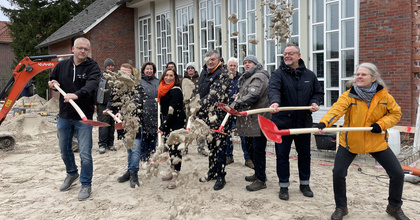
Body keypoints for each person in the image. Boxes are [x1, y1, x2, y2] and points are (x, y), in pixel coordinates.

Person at [316, 63, 409, 220]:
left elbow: (395, 114)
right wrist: (324, 123)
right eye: (357, 74)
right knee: (338, 172)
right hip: (351, 141)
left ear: (373, 78)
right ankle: (341, 207)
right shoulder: (349, 95)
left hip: (376, 142)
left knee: (398, 174)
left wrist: (380, 125)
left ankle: (394, 207)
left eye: (363, 74)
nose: (358, 76)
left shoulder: (384, 96)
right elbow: (336, 110)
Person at [267, 44, 323, 200]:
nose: (287, 56)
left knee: (304, 155)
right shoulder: (278, 74)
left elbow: (318, 92)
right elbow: (273, 89)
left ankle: (304, 184)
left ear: (299, 55)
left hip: (303, 122)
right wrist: (275, 102)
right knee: (282, 155)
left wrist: (314, 102)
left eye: (290, 53)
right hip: (283, 123)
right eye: (285, 54)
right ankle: (283, 186)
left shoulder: (309, 75)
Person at [48, 37, 101, 201]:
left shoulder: (93, 67)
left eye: (86, 49)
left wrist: (76, 95)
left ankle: (86, 184)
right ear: (73, 49)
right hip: (64, 116)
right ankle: (72, 173)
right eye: (80, 48)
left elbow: (91, 85)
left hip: (83, 117)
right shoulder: (62, 65)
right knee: (64, 149)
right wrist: (51, 83)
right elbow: (51, 80)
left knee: (85, 153)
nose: (83, 51)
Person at [232, 55, 270, 191]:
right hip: (250, 120)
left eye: (250, 62)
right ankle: (258, 173)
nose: (247, 65)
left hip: (258, 120)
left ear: (256, 64)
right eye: (245, 63)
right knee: (251, 148)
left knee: (258, 150)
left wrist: (236, 104)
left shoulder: (258, 77)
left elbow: (253, 96)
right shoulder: (248, 77)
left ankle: (261, 179)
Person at [196, 50, 230, 190]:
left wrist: (196, 105)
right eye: (208, 59)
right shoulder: (204, 72)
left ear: (219, 60)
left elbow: (214, 96)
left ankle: (221, 176)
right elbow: (199, 91)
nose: (210, 62)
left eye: (213, 59)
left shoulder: (223, 74)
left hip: (219, 116)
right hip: (205, 115)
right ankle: (212, 171)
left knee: (220, 146)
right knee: (211, 145)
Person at [110, 63, 144, 188]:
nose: (124, 75)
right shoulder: (116, 86)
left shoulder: (137, 87)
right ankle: (129, 171)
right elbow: (112, 101)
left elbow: (136, 102)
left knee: (135, 149)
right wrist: (108, 109)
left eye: (127, 73)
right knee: (129, 149)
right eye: (122, 73)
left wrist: (122, 112)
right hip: (121, 124)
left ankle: (134, 174)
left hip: (134, 123)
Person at [157, 68, 186, 189]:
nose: (168, 77)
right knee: (169, 148)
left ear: (175, 78)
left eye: (171, 76)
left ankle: (176, 175)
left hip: (176, 123)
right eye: (166, 75)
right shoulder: (163, 89)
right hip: (167, 122)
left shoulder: (176, 91)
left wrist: (163, 126)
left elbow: (171, 110)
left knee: (176, 149)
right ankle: (171, 170)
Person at [182, 62, 208, 156]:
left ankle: (201, 148)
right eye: (188, 68)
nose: (190, 70)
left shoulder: (200, 79)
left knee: (200, 128)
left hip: (197, 107)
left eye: (192, 68)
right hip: (186, 107)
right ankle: (184, 147)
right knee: (186, 128)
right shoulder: (183, 80)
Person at [140, 61, 159, 162]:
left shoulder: (158, 81)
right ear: (143, 70)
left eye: (151, 69)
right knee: (144, 137)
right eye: (147, 69)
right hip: (144, 113)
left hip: (155, 113)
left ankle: (152, 156)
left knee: (154, 136)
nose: (149, 71)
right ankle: (143, 157)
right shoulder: (139, 82)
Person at [96, 58, 116, 154]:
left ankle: (110, 144)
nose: (110, 67)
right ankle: (102, 144)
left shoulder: (116, 77)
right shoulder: (100, 76)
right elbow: (95, 90)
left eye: (111, 65)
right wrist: (95, 103)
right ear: (105, 67)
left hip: (114, 104)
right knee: (104, 124)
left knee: (112, 125)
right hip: (102, 104)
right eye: (108, 66)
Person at [224, 57, 242, 165]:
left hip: (238, 109)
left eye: (234, 65)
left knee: (242, 134)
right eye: (230, 65)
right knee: (227, 134)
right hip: (227, 109)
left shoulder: (241, 78)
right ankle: (229, 156)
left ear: (237, 67)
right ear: (227, 67)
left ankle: (248, 158)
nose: (232, 67)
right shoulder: (224, 78)